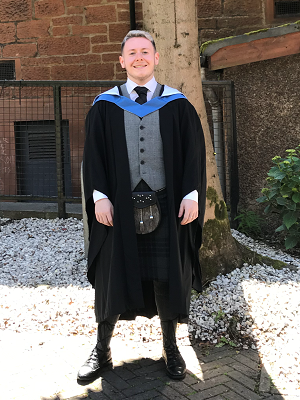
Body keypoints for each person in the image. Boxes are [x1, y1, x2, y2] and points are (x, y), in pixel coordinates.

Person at [79, 30, 206, 382]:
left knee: (167, 276)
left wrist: (192, 194)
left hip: (167, 202)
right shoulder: (105, 105)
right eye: (131, 52)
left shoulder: (177, 103)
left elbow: (194, 152)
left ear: (156, 58)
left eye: (145, 51)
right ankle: (102, 350)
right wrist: (99, 196)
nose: (139, 57)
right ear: (122, 61)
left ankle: (171, 347)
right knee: (110, 276)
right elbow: (93, 157)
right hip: (118, 205)